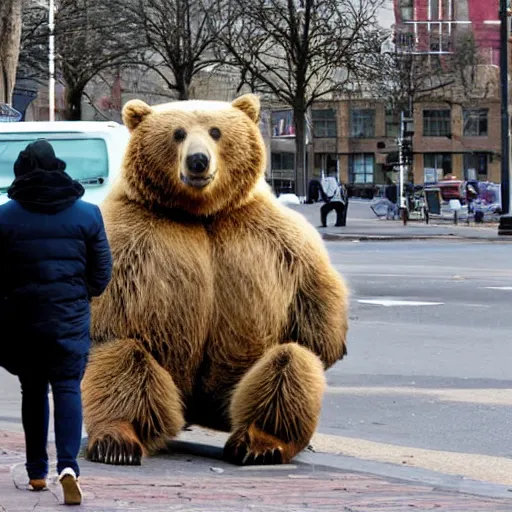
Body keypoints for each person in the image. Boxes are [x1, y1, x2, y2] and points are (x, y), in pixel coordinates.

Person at [0, 140, 112, 505]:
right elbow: (102, 273)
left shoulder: (5, 217)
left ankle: (36, 472)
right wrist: (80, 296)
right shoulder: (88, 215)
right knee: (67, 388)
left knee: (32, 391)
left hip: (23, 320)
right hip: (68, 318)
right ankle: (68, 467)